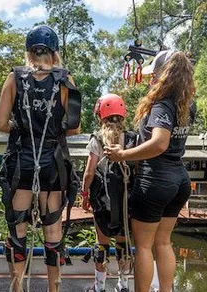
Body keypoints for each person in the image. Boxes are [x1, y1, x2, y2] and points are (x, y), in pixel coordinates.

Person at [0, 25, 81, 292]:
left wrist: (22, 128)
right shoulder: (66, 80)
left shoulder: (14, 78)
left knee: (17, 230)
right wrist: (54, 128)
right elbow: (75, 126)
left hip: (22, 161)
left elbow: (0, 124)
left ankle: (18, 287)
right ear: (54, 54)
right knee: (52, 233)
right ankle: (53, 290)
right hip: (52, 165)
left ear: (28, 52)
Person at [104, 50, 196, 292]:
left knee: (144, 246)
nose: (151, 80)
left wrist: (122, 155)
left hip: (155, 180)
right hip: (179, 180)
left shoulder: (162, 105)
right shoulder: (186, 104)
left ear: (162, 75)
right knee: (164, 242)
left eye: (154, 75)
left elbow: (159, 143)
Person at [81, 94, 137, 292]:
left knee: (102, 244)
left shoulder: (97, 139)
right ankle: (123, 285)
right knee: (123, 244)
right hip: (126, 203)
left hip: (102, 203)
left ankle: (100, 287)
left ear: (101, 114)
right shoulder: (132, 139)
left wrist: (85, 195)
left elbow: (89, 173)